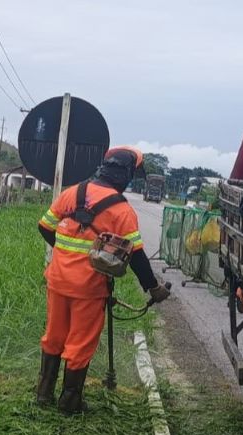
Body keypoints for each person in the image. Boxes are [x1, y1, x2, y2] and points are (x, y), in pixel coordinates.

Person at [36, 146, 171, 413]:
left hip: (58, 280)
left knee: (54, 336)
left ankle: (43, 394)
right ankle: (70, 402)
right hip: (89, 288)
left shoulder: (72, 193)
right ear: (126, 174)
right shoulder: (121, 211)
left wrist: (64, 253)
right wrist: (153, 288)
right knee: (80, 343)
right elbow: (136, 255)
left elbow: (45, 226)